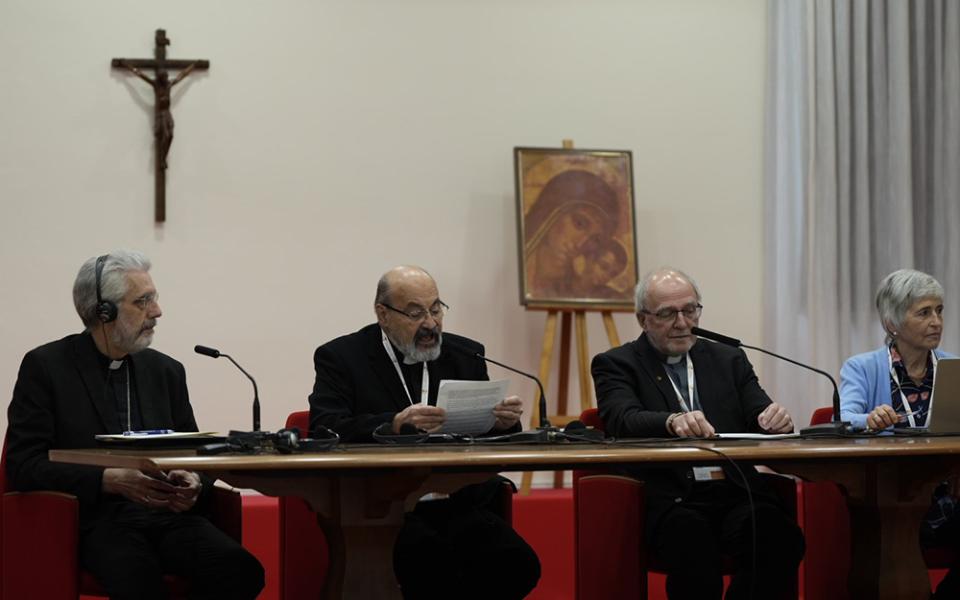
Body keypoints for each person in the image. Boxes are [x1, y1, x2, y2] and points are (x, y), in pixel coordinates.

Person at [5, 251, 264, 600]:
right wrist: (107, 480)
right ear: (104, 312)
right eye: (143, 302)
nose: (157, 312)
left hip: (167, 518)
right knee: (138, 580)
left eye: (154, 299)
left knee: (240, 569)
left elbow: (194, 452)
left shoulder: (166, 371)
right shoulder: (47, 367)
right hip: (92, 522)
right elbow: (24, 465)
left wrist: (194, 483)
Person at [309, 265, 540, 599]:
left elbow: (483, 436)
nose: (431, 324)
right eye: (415, 313)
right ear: (383, 314)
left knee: (517, 564)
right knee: (433, 564)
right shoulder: (342, 357)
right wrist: (394, 424)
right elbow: (325, 425)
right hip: (384, 508)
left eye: (436, 309)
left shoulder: (465, 354)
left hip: (456, 501)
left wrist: (502, 422)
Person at [591, 267, 804, 600]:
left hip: (733, 491)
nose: (682, 322)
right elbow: (622, 419)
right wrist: (671, 421)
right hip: (672, 498)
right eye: (667, 313)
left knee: (780, 537)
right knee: (693, 544)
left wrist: (773, 418)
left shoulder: (728, 358)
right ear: (643, 319)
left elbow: (757, 413)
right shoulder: (618, 363)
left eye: (690, 310)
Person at [839, 268, 958, 599]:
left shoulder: (953, 367)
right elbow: (845, 418)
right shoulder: (861, 367)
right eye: (924, 313)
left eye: (939, 310)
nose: (936, 321)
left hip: (947, 494)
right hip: (890, 497)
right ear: (892, 324)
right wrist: (870, 418)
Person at [523, 169, 618, 298]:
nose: (580, 244)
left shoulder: (576, 289)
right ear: (551, 212)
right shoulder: (517, 267)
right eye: (579, 223)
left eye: (595, 239)